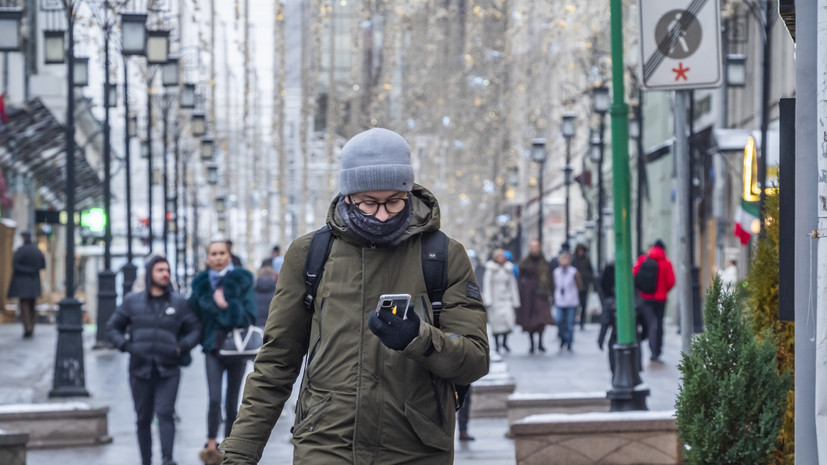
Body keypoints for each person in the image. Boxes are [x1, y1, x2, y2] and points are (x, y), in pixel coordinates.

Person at [219, 127, 489, 464]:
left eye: (394, 201)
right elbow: (277, 361)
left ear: (408, 191)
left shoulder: (443, 255)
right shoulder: (310, 255)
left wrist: (418, 338)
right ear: (347, 196)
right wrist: (240, 453)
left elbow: (475, 360)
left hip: (416, 448)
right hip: (326, 445)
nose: (382, 214)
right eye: (369, 203)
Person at [106, 255, 201, 465]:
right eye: (160, 270)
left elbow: (195, 329)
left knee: (165, 413)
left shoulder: (179, 303)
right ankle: (146, 461)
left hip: (168, 369)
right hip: (139, 369)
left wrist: (181, 346)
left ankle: (168, 459)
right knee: (143, 419)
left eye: (167, 270)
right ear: (150, 274)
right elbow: (112, 328)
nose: (165, 274)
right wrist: (127, 346)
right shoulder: (132, 302)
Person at [189, 240, 257, 465]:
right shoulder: (200, 284)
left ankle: (229, 444)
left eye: (221, 253)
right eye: (213, 254)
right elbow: (192, 316)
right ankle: (211, 443)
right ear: (208, 258)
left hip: (237, 349)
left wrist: (226, 306)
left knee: (232, 400)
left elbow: (249, 316)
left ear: (229, 256)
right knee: (214, 398)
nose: (218, 257)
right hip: (212, 348)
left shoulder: (242, 280)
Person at [632, 239, 676, 362]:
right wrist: (663, 290)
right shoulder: (667, 263)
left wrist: (642, 291)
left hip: (645, 298)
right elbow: (671, 281)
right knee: (658, 324)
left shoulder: (643, 260)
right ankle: (656, 351)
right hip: (660, 299)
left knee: (650, 324)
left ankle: (650, 346)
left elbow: (634, 275)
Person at [517, 240, 554, 354]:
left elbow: (550, 279)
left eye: (536, 247)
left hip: (541, 294)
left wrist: (550, 292)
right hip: (528, 295)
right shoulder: (525, 262)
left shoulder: (545, 263)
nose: (534, 249)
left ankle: (541, 342)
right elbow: (520, 278)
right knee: (530, 321)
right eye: (532, 247)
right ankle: (532, 343)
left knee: (542, 319)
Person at [7, 230, 46, 338]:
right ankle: (31, 326)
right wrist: (33, 270)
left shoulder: (20, 251)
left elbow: (15, 266)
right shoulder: (37, 251)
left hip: (22, 282)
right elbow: (43, 265)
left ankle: (27, 327)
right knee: (32, 306)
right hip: (33, 282)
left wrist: (26, 270)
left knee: (24, 305)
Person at [483, 248, 520, 353]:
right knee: (496, 323)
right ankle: (497, 344)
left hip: (506, 298)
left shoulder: (508, 269)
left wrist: (515, 300)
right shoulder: (491, 269)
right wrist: (488, 300)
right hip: (495, 299)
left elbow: (512, 285)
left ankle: (504, 342)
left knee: (508, 321)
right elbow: (487, 285)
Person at [550, 251, 582, 351]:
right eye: (562, 259)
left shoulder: (574, 272)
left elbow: (579, 286)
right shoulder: (556, 272)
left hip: (571, 301)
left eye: (566, 259)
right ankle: (563, 338)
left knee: (570, 323)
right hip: (560, 300)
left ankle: (569, 342)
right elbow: (553, 286)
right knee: (559, 320)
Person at [571, 244, 595, 329]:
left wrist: (589, 280)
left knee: (583, 304)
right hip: (575, 286)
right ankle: (573, 320)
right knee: (575, 304)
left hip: (585, 285)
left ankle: (582, 321)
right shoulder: (574, 260)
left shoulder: (586, 260)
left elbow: (590, 271)